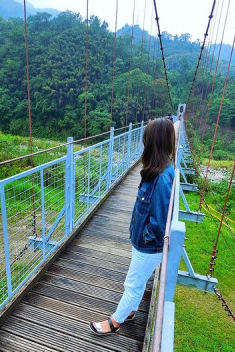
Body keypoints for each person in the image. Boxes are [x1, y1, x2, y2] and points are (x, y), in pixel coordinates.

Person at [89, 118, 175, 335]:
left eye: (146, 138)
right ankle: (130, 311)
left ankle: (115, 322)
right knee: (138, 279)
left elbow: (160, 221)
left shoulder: (163, 177)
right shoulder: (157, 170)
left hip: (149, 245)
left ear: (152, 142)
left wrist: (144, 236)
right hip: (144, 243)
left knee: (132, 283)